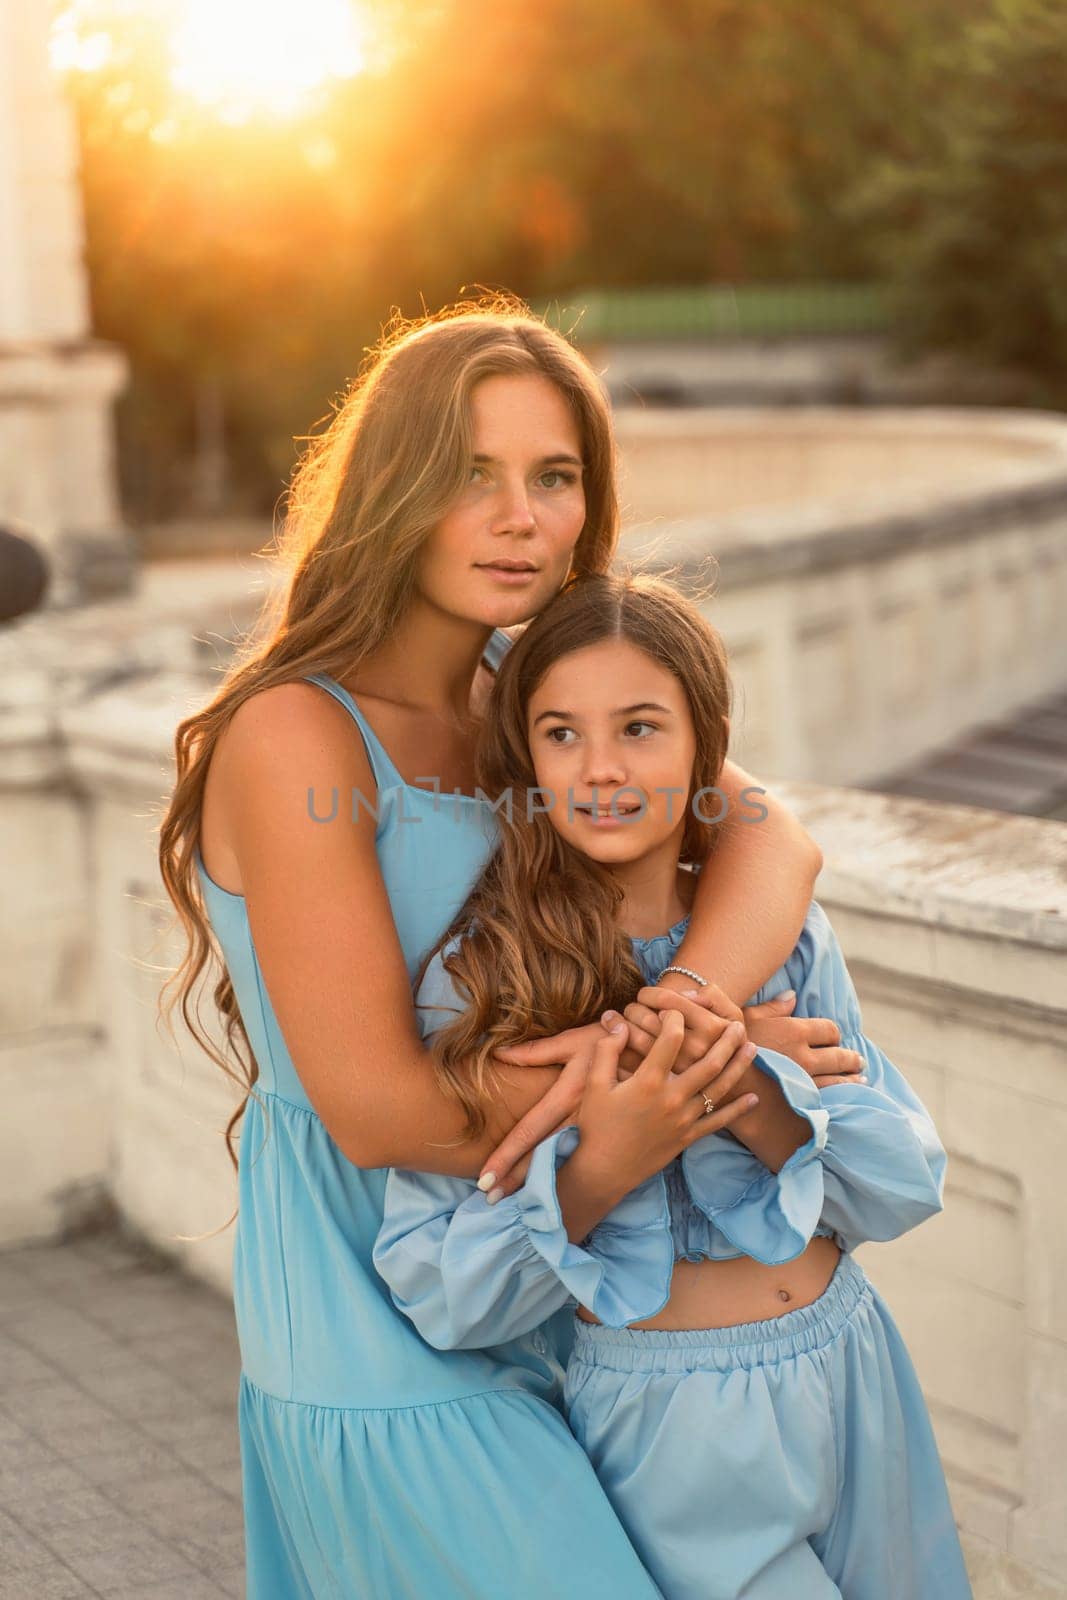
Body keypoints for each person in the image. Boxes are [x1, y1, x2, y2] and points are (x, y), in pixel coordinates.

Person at [159, 295, 861, 1597]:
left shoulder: (528, 704)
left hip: (562, 1270)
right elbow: (374, 1110)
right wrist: (686, 1079)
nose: (519, 517)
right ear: (391, 490)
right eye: (468, 476)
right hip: (372, 1322)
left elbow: (772, 841)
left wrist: (687, 1018)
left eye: (553, 477)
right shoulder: (297, 740)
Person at [373, 572, 973, 1599]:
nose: (599, 769)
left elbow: (899, 1183)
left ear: (706, 747)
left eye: (639, 728)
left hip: (854, 1366)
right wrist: (607, 1157)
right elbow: (439, 1289)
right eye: (560, 734)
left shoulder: (777, 937)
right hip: (671, 1427)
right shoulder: (484, 972)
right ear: (523, 760)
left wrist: (741, 1064)